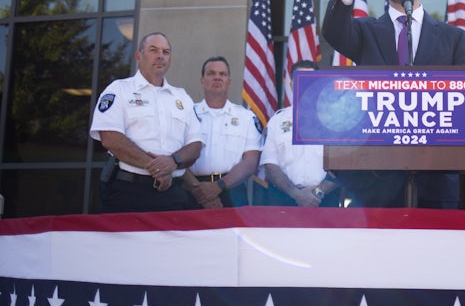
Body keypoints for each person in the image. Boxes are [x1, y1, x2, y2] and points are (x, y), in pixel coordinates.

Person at [322, 0, 465, 208]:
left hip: (435, 182)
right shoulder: (364, 32)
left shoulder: (454, 39)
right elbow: (333, 31)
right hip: (376, 183)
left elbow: (464, 107)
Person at [90, 32, 202, 213]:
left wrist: (173, 162)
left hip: (172, 194)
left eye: (166, 52)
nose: (160, 56)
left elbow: (195, 145)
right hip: (126, 192)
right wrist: (158, 170)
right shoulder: (119, 90)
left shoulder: (182, 97)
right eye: (153, 50)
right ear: (138, 56)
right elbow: (110, 138)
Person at [183, 56, 263, 208]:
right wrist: (201, 192)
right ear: (202, 80)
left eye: (222, 74)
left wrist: (218, 186)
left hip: (233, 192)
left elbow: (251, 162)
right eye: (211, 73)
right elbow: (177, 157)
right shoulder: (187, 115)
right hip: (193, 190)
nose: (217, 77)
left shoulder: (246, 117)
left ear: (229, 81)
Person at [260, 60, 340, 207]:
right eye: (300, 81)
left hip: (324, 201)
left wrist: (318, 192)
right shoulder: (277, 121)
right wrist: (296, 194)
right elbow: (270, 165)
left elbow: (341, 165)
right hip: (285, 200)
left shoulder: (334, 122)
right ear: (291, 85)